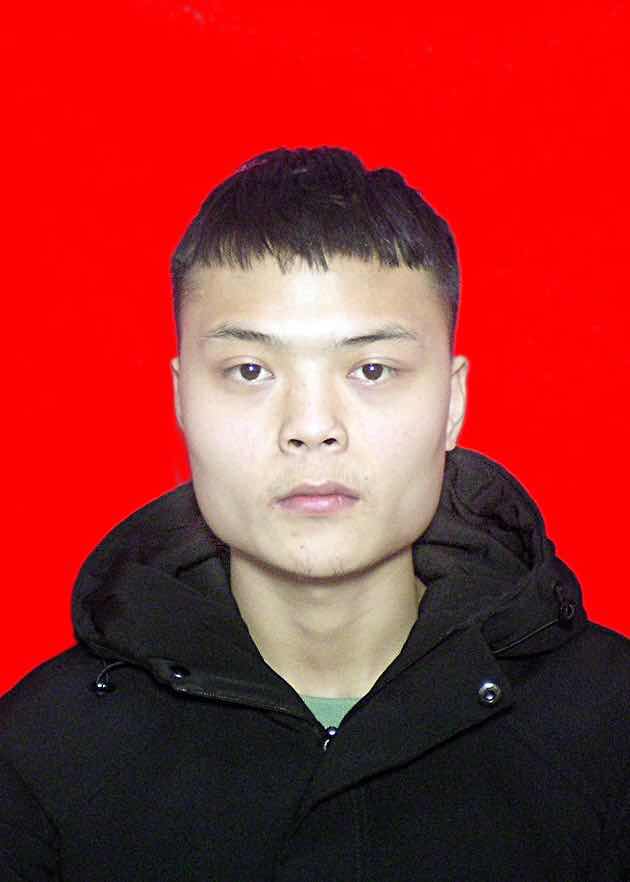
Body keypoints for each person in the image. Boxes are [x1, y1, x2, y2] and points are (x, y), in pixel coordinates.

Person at [1, 146, 628, 882]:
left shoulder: (610, 727)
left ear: (453, 402)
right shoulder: (39, 755)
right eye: (250, 371)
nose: (311, 426)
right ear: (181, 399)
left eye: (371, 370)